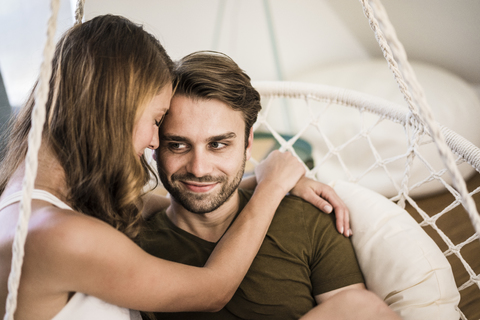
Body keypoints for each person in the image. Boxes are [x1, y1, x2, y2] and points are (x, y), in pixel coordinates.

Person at [0, 15, 346, 320]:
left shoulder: (33, 201)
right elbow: (212, 291)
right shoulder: (62, 236)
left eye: (218, 144)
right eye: (156, 121)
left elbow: (152, 203)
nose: (153, 139)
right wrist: (272, 186)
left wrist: (254, 181)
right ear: (115, 111)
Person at [140, 51, 401, 320]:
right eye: (178, 145)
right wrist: (271, 184)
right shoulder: (134, 242)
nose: (199, 168)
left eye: (217, 145)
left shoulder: (306, 219)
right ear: (155, 144)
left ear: (248, 143)